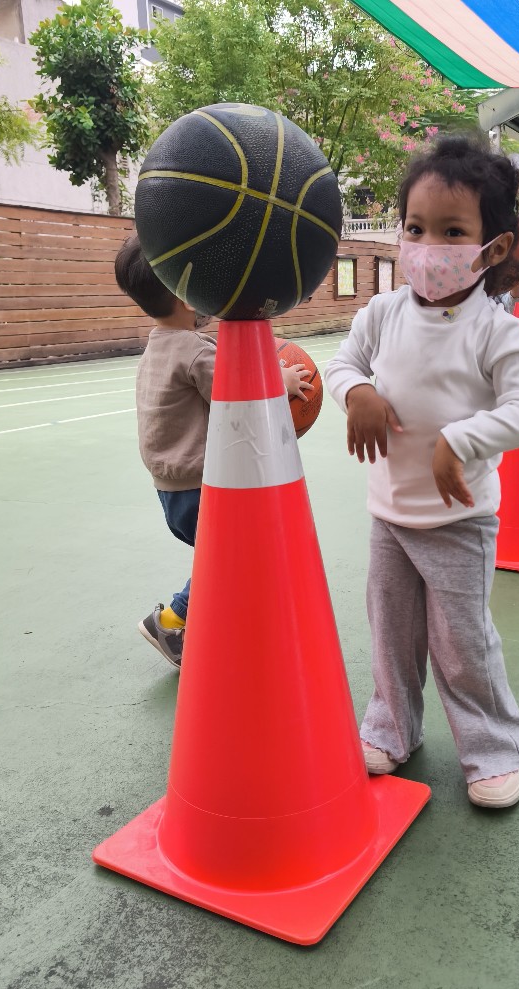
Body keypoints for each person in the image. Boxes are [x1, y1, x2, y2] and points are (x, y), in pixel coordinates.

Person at [324, 136, 519, 809]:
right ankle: (390, 729)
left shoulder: (496, 330)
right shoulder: (383, 312)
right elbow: (341, 364)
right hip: (390, 515)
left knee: (462, 645)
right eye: (416, 228)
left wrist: (461, 437)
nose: (428, 247)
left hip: (459, 521)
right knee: (391, 633)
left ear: (494, 248)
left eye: (452, 232)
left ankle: (492, 748)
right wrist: (357, 392)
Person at [114, 235, 313, 668]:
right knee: (234, 556)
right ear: (186, 297)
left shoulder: (157, 345)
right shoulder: (193, 350)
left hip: (171, 489)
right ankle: (171, 621)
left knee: (227, 557)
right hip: (198, 487)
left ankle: (217, 622)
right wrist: (281, 381)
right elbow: (237, 391)